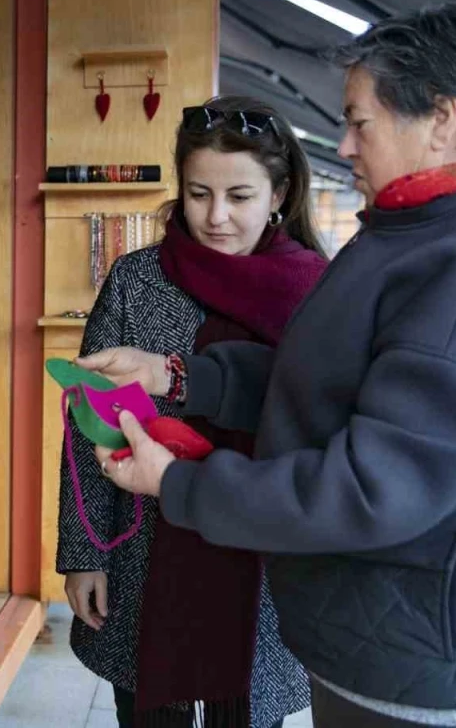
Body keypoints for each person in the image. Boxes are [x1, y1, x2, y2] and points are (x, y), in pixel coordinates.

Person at [82, 2, 456, 728]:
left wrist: (179, 483)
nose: (345, 143)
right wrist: (180, 377)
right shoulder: (424, 228)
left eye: (360, 121)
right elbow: (330, 378)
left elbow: (371, 484)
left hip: (428, 658)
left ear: (442, 119)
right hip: (389, 637)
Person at [58, 96, 327, 728]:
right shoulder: (137, 281)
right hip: (145, 550)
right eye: (199, 193)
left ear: (279, 193)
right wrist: (85, 552)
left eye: (239, 196)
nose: (216, 216)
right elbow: (87, 424)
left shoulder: (317, 290)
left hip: (265, 562)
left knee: (249, 706)